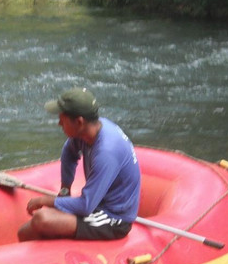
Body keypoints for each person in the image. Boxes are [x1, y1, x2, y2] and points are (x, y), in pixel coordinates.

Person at [18, 87, 140, 242]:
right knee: (24, 232)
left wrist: (47, 201)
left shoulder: (106, 152)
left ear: (79, 122)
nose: (59, 123)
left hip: (113, 218)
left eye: (62, 118)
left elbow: (85, 205)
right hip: (95, 205)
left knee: (42, 219)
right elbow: (69, 153)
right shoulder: (86, 132)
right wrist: (65, 189)